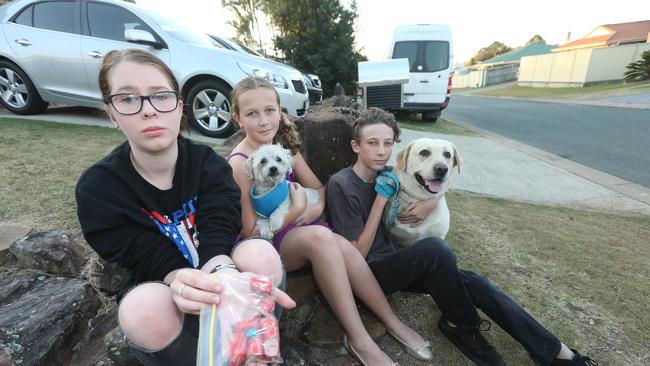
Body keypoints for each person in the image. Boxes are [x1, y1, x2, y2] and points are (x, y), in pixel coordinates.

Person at [326, 107, 598, 366]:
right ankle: (464, 327)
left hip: (400, 262)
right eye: (372, 143)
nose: (382, 151)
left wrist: (433, 201)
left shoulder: (387, 174)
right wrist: (379, 202)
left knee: (476, 282)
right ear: (356, 146)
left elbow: (432, 178)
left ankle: (556, 352)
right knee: (437, 249)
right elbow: (355, 255)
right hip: (368, 276)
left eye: (387, 143)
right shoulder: (343, 184)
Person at [75, 49, 294, 366]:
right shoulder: (99, 189)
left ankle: (256, 351)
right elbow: (139, 252)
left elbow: (220, 223)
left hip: (226, 278)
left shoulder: (208, 165)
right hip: (168, 292)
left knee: (259, 254)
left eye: (160, 96)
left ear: (178, 106)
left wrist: (221, 273)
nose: (149, 111)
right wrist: (177, 277)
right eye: (127, 98)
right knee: (141, 309)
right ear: (111, 113)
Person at [227, 76, 433, 365]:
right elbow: (248, 230)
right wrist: (298, 209)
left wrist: (313, 207)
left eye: (269, 111)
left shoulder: (285, 151)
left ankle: (393, 322)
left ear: (280, 111)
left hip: (297, 226)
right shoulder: (240, 163)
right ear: (237, 118)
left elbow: (319, 188)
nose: (263, 121)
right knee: (323, 239)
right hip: (267, 242)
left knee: (345, 248)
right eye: (252, 114)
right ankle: (359, 340)